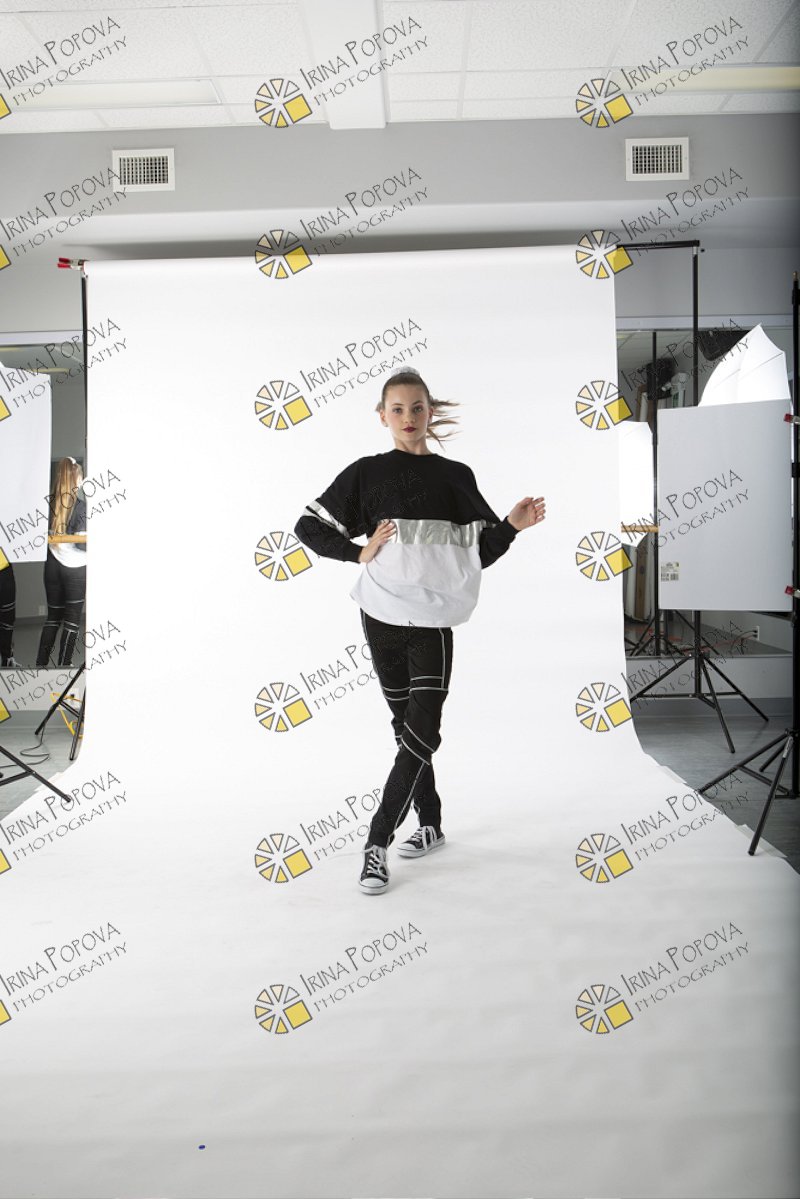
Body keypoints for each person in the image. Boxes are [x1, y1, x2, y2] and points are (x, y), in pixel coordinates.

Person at [294, 369, 546, 894]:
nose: (408, 418)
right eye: (398, 409)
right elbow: (308, 527)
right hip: (381, 614)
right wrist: (357, 551)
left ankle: (376, 844)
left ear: (431, 412)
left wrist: (510, 527)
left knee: (422, 731)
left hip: (433, 621)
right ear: (382, 415)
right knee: (405, 727)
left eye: (417, 408)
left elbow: (476, 557)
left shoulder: (456, 476)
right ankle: (430, 823)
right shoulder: (366, 473)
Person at [36, 457, 87, 668]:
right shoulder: (81, 507)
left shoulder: (48, 503)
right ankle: (64, 668)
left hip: (52, 567)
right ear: (76, 478)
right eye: (81, 476)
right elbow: (82, 547)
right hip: (75, 570)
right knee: (72, 621)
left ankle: (40, 667)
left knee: (53, 618)